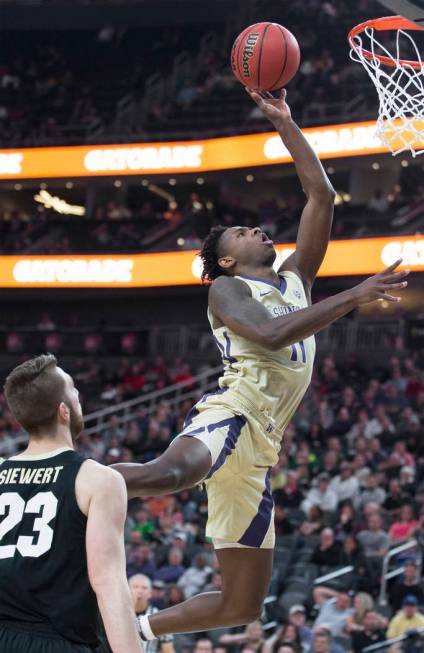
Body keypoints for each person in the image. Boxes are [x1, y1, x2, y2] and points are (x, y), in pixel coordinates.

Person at [112, 89, 409, 640]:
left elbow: (320, 195)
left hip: (261, 449)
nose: (256, 231)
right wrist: (354, 295)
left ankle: (132, 631)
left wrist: (286, 122)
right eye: (241, 233)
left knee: (241, 605)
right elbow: (270, 336)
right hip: (234, 410)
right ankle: (64, 479)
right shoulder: (227, 288)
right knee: (169, 474)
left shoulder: (297, 279)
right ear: (226, 257)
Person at [0, 354, 142, 653]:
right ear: (63, 411)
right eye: (74, 389)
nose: (79, 396)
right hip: (58, 642)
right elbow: (108, 585)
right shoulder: (99, 479)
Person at [129, 574, 175, 653]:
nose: (140, 591)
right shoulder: (116, 615)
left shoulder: (159, 616)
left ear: (150, 593)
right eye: (135, 587)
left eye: (144, 588)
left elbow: (168, 649)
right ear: (127, 590)